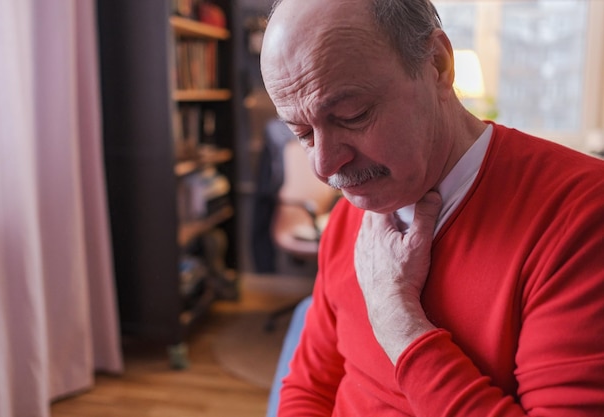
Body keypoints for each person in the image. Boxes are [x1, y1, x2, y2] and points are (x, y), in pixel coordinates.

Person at [259, 0, 604, 415]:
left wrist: (396, 319)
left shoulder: (582, 216)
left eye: (352, 115)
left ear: (437, 64)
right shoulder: (352, 212)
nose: (325, 166)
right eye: (302, 132)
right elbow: (308, 387)